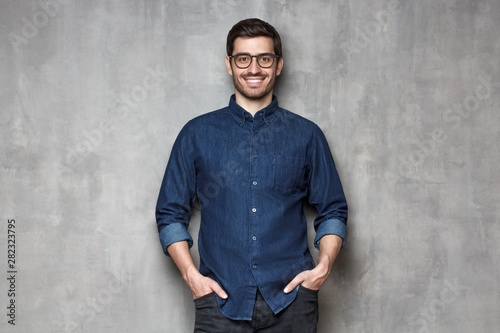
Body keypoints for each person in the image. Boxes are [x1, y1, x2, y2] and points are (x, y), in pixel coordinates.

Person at [156, 18, 348, 333]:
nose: (254, 68)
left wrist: (323, 267)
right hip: (219, 303)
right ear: (230, 65)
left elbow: (333, 209)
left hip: (293, 304)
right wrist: (192, 277)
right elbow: (169, 214)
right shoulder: (196, 134)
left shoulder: (307, 135)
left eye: (265, 59)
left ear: (279, 64)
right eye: (243, 58)